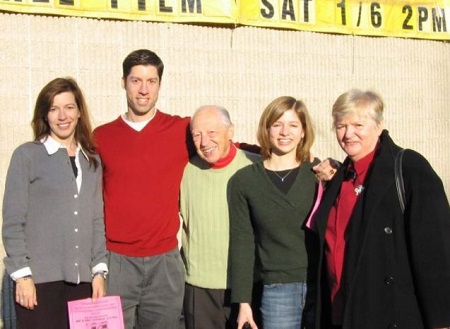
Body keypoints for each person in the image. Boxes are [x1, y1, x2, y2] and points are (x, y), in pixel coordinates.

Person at [312, 89, 450, 329]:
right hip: (341, 312)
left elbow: (435, 251)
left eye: (358, 124)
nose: (348, 134)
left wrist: (442, 321)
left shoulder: (409, 168)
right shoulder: (341, 178)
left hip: (388, 315)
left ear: (379, 125)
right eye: (341, 126)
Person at [93, 49, 190, 329]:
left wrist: (301, 160)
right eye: (136, 81)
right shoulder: (101, 137)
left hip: (165, 264)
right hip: (116, 263)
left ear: (160, 84)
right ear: (123, 82)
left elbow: (223, 145)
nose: (144, 89)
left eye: (151, 81)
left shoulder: (180, 130)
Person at [2, 77, 108, 329]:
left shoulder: (91, 161)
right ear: (45, 115)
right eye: (53, 108)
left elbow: (96, 219)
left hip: (84, 282)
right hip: (39, 284)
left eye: (69, 107)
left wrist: (99, 272)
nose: (62, 116)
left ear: (79, 112)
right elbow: (13, 222)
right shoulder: (27, 155)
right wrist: (23, 275)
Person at [229, 96, 320, 329]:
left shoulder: (319, 176)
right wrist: (243, 302)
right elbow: (242, 243)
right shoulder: (244, 181)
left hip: (321, 287)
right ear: (267, 130)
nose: (284, 132)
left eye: (293, 125)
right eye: (277, 124)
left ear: (303, 132)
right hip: (277, 291)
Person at [180, 105, 261, 329]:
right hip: (199, 287)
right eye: (197, 135)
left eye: (212, 132)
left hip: (247, 286)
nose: (204, 142)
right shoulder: (185, 171)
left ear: (231, 132)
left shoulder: (256, 167)